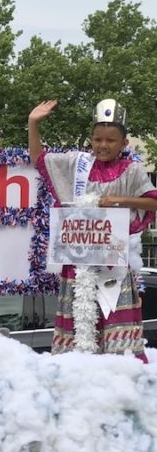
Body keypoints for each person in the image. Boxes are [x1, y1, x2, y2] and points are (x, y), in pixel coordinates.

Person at [28, 97, 157, 357]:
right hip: (78, 264)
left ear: (124, 144)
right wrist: (33, 123)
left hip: (114, 265)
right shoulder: (78, 164)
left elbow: (152, 203)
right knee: (78, 326)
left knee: (116, 330)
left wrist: (120, 200)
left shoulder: (132, 171)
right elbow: (39, 159)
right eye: (98, 139)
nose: (103, 145)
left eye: (110, 140)